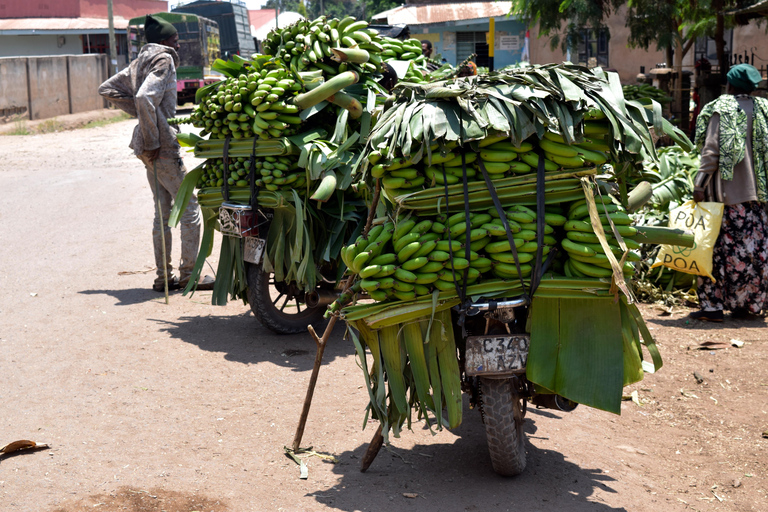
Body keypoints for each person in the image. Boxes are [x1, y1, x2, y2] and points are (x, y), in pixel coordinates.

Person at [99, 14, 214, 292]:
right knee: (189, 208)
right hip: (159, 146)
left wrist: (146, 117)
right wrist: (153, 135)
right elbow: (143, 97)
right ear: (164, 41)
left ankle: (164, 277)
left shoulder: (140, 62)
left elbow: (107, 89)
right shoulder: (164, 59)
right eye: (175, 39)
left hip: (147, 145)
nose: (178, 44)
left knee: (161, 212)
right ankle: (189, 275)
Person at [689, 63, 768, 322]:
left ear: (729, 85)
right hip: (759, 199)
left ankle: (712, 307)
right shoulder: (764, 110)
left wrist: (699, 185)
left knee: (712, 248)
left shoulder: (721, 109)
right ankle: (747, 306)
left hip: (727, 198)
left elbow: (711, 152)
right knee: (752, 253)